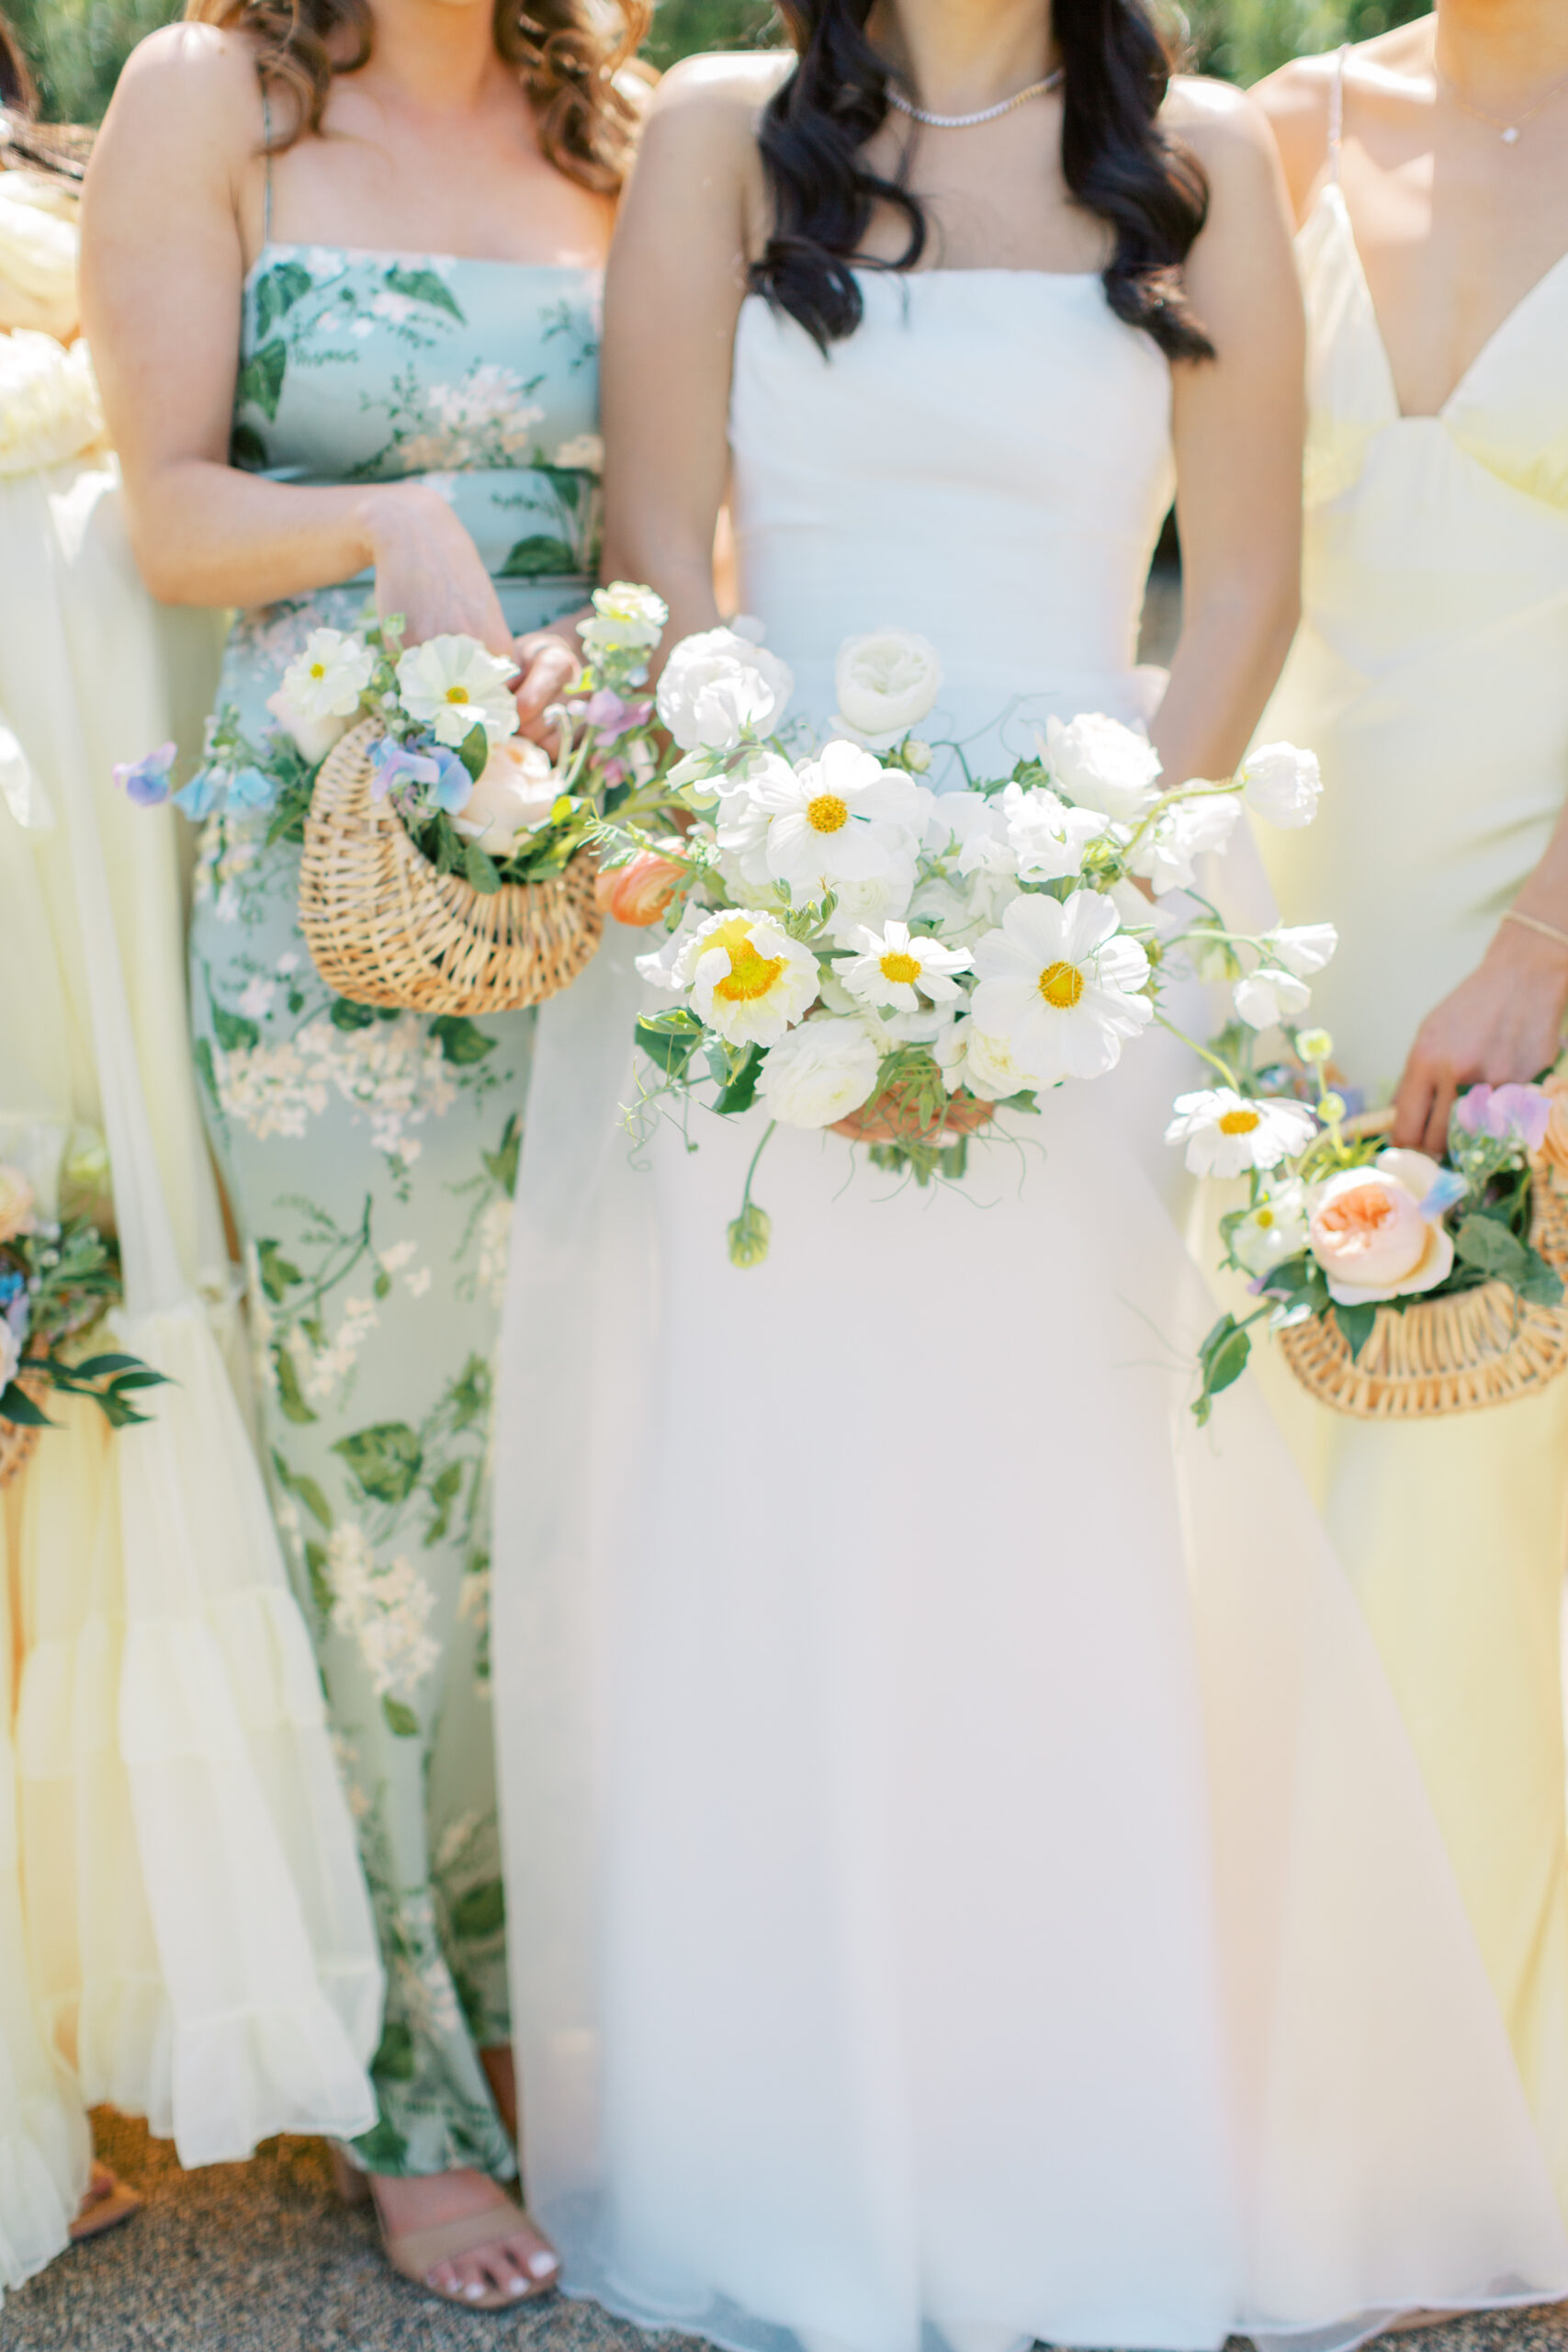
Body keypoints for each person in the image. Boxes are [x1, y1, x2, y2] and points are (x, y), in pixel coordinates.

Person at [491, 4, 1568, 2346]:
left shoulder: (1194, 159)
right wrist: (793, 927)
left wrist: (1068, 913)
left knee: (1065, 1527)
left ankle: (1084, 2157)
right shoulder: (707, 136)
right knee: (780, 1511)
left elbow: (1248, 586)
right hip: (764, 930)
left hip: (1093, 955)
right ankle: (795, 2168)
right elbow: (659, 551)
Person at [80, 0, 643, 2309]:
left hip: (591, 867)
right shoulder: (205, 92)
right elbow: (165, 506)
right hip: (328, 904)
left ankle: (551, 1998)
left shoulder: (621, 115)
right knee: (370, 1474)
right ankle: (406, 2071)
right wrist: (392, 527)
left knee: (575, 1456)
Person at [1, 2, 382, 2307]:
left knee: (90, 1406)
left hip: (128, 872)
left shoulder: (104, 141)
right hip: (43, 870)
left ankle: (85, 1999)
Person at [1254, 0, 1568, 2211]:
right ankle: (1344, 2123)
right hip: (1300, 924)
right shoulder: (1270, 128)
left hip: (1535, 908)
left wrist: (1549, 940)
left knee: (1506, 1526)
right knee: (1311, 1509)